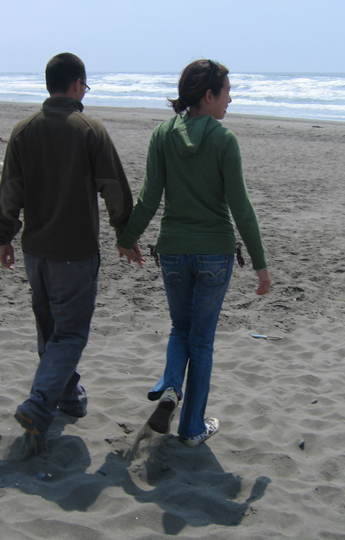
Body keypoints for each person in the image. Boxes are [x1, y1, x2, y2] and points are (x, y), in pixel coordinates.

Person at [116, 59, 271, 448]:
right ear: (209, 95)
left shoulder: (162, 135)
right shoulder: (224, 140)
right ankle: (192, 428)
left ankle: (171, 387)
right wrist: (260, 265)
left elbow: (149, 197)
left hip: (172, 252)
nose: (231, 99)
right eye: (227, 92)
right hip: (214, 254)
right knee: (201, 342)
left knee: (179, 329)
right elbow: (241, 208)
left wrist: (127, 238)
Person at [0, 52, 138, 452]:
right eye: (84, 87)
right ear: (76, 85)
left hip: (35, 252)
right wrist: (125, 233)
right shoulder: (89, 130)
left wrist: (4, 236)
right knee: (70, 334)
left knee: (51, 331)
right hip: (74, 251)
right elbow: (114, 187)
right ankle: (39, 404)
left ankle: (69, 397)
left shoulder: (23, 131)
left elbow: (10, 191)